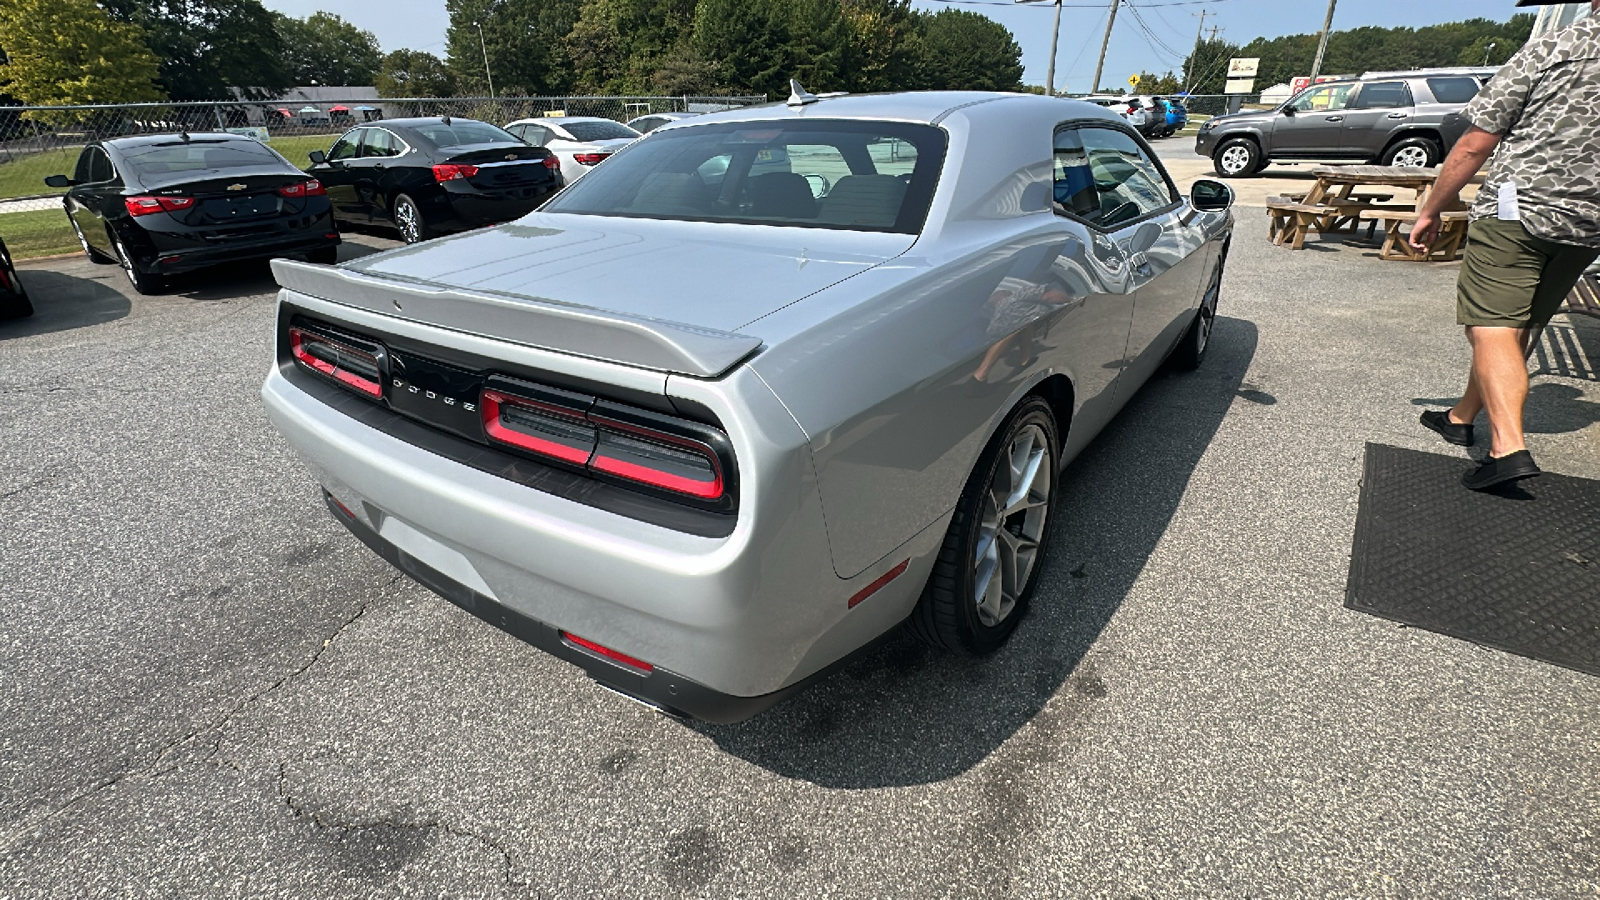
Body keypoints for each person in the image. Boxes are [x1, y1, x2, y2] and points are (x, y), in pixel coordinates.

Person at [1410, 0, 1600, 490]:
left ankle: (1507, 448)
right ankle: (1459, 417)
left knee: (1492, 326)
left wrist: (1433, 208)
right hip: (1588, 226)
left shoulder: (1557, 47)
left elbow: (1476, 142)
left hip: (1519, 211)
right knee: (1518, 326)